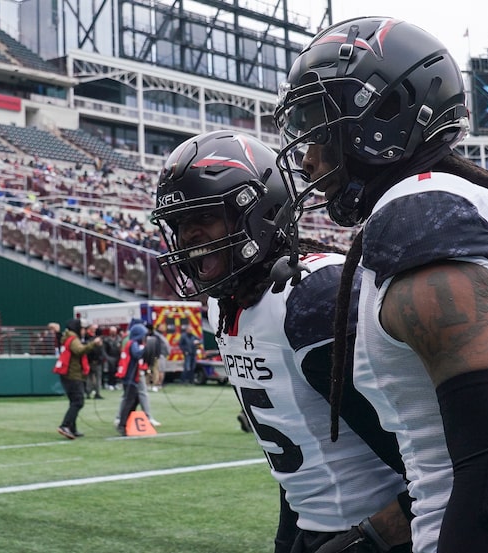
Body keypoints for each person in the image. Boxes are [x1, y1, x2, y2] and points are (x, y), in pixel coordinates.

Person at [275, 16, 488, 552]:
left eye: (317, 124)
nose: (308, 155)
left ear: (380, 115)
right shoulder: (470, 203)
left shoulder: (418, 218)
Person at [150, 130, 412, 553]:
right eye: (179, 224)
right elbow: (299, 455)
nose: (188, 236)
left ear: (258, 213)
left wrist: (374, 538)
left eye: (203, 217)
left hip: (392, 531)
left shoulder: (312, 294)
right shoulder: (227, 304)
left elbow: (428, 455)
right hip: (321, 526)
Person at [54, 318, 102, 439]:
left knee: (74, 401)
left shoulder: (68, 337)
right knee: (78, 401)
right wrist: (93, 344)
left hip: (68, 374)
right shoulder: (73, 339)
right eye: (82, 329)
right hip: (73, 375)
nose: (84, 331)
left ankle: (72, 428)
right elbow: (79, 350)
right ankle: (65, 425)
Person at [116, 323, 148, 436]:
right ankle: (122, 424)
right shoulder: (133, 344)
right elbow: (137, 354)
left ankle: (127, 421)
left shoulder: (131, 343)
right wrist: (146, 348)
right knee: (130, 400)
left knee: (135, 399)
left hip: (131, 377)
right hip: (129, 378)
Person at [83, 322, 105, 399]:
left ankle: (91, 393)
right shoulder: (90, 339)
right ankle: (93, 392)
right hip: (92, 360)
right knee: (93, 377)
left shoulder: (87, 338)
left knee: (92, 377)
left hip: (95, 361)